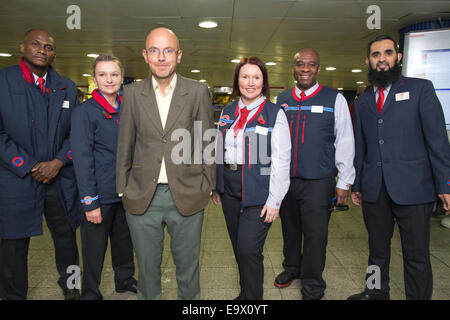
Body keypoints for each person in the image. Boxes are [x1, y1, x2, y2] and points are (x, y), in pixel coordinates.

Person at [116, 27, 215, 300]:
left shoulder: (196, 92)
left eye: (168, 50)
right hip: (141, 196)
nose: (161, 57)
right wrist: (123, 188)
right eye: (155, 51)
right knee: (147, 272)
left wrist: (206, 186)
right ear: (146, 56)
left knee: (188, 271)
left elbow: (206, 141)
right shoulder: (133, 93)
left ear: (179, 55)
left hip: (187, 193)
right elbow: (125, 143)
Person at [348, 35, 450, 300]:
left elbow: (437, 141)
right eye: (375, 55)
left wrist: (445, 184)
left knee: (416, 255)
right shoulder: (363, 102)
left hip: (414, 189)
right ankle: (375, 292)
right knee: (376, 250)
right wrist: (357, 183)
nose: (382, 59)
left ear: (398, 57)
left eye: (387, 53)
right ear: (368, 61)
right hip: (374, 188)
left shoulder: (421, 89)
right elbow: (361, 146)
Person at [0, 29, 81, 300]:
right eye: (35, 44)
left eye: (48, 46)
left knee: (67, 237)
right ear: (22, 47)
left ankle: (71, 286)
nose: (41, 50)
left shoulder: (66, 86)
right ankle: (13, 295)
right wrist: (30, 165)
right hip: (17, 178)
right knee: (12, 242)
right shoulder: (4, 81)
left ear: (53, 53)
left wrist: (58, 162)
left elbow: (76, 134)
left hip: (58, 178)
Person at [273, 48, 355, 300]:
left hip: (319, 182)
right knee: (290, 229)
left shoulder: (334, 99)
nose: (305, 69)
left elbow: (345, 140)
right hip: (287, 181)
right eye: (300, 64)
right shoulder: (282, 100)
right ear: (294, 68)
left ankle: (312, 284)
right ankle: (292, 268)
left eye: (311, 65)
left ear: (319, 69)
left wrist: (344, 180)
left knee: (316, 234)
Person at [212, 57, 291, 300]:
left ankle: (253, 300)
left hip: (258, 190)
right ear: (237, 80)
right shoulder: (228, 111)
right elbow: (219, 148)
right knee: (239, 248)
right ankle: (246, 293)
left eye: (256, 77)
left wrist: (275, 200)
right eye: (245, 76)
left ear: (264, 82)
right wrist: (217, 185)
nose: (250, 82)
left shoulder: (274, 113)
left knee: (248, 249)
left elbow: (281, 159)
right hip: (230, 189)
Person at [70, 54, 138, 300]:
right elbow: (82, 159)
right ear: (94, 78)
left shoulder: (127, 107)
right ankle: (90, 291)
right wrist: (90, 202)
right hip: (99, 193)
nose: (109, 80)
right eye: (102, 74)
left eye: (114, 74)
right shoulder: (84, 112)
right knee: (94, 248)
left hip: (125, 191)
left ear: (121, 77)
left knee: (124, 241)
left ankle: (124, 279)